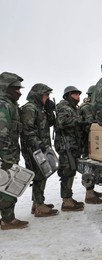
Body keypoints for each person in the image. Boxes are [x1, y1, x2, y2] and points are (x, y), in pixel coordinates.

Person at [20, 83, 59, 217]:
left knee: (42, 173)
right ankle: (39, 205)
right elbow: (27, 130)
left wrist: (49, 111)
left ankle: (37, 203)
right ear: (38, 95)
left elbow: (51, 123)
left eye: (48, 95)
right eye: (45, 95)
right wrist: (38, 144)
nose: (47, 98)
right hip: (32, 148)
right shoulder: (30, 108)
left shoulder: (40, 108)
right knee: (39, 175)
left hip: (41, 147)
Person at [0, 72, 29, 230]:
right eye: (16, 89)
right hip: (6, 155)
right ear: (6, 88)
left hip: (9, 153)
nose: (19, 92)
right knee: (7, 186)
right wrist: (6, 158)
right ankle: (7, 220)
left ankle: (7, 217)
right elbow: (1, 133)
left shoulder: (10, 105)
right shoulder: (3, 105)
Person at [54, 86, 85, 211]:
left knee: (71, 171)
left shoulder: (72, 108)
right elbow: (61, 122)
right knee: (67, 172)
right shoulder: (64, 108)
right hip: (66, 145)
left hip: (72, 145)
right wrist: (79, 120)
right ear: (68, 95)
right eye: (76, 94)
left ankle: (68, 198)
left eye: (79, 94)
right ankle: (66, 201)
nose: (78, 97)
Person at [79, 85, 102, 204]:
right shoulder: (87, 107)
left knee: (91, 166)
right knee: (88, 167)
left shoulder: (89, 106)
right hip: (86, 141)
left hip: (88, 140)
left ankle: (91, 190)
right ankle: (89, 194)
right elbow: (91, 124)